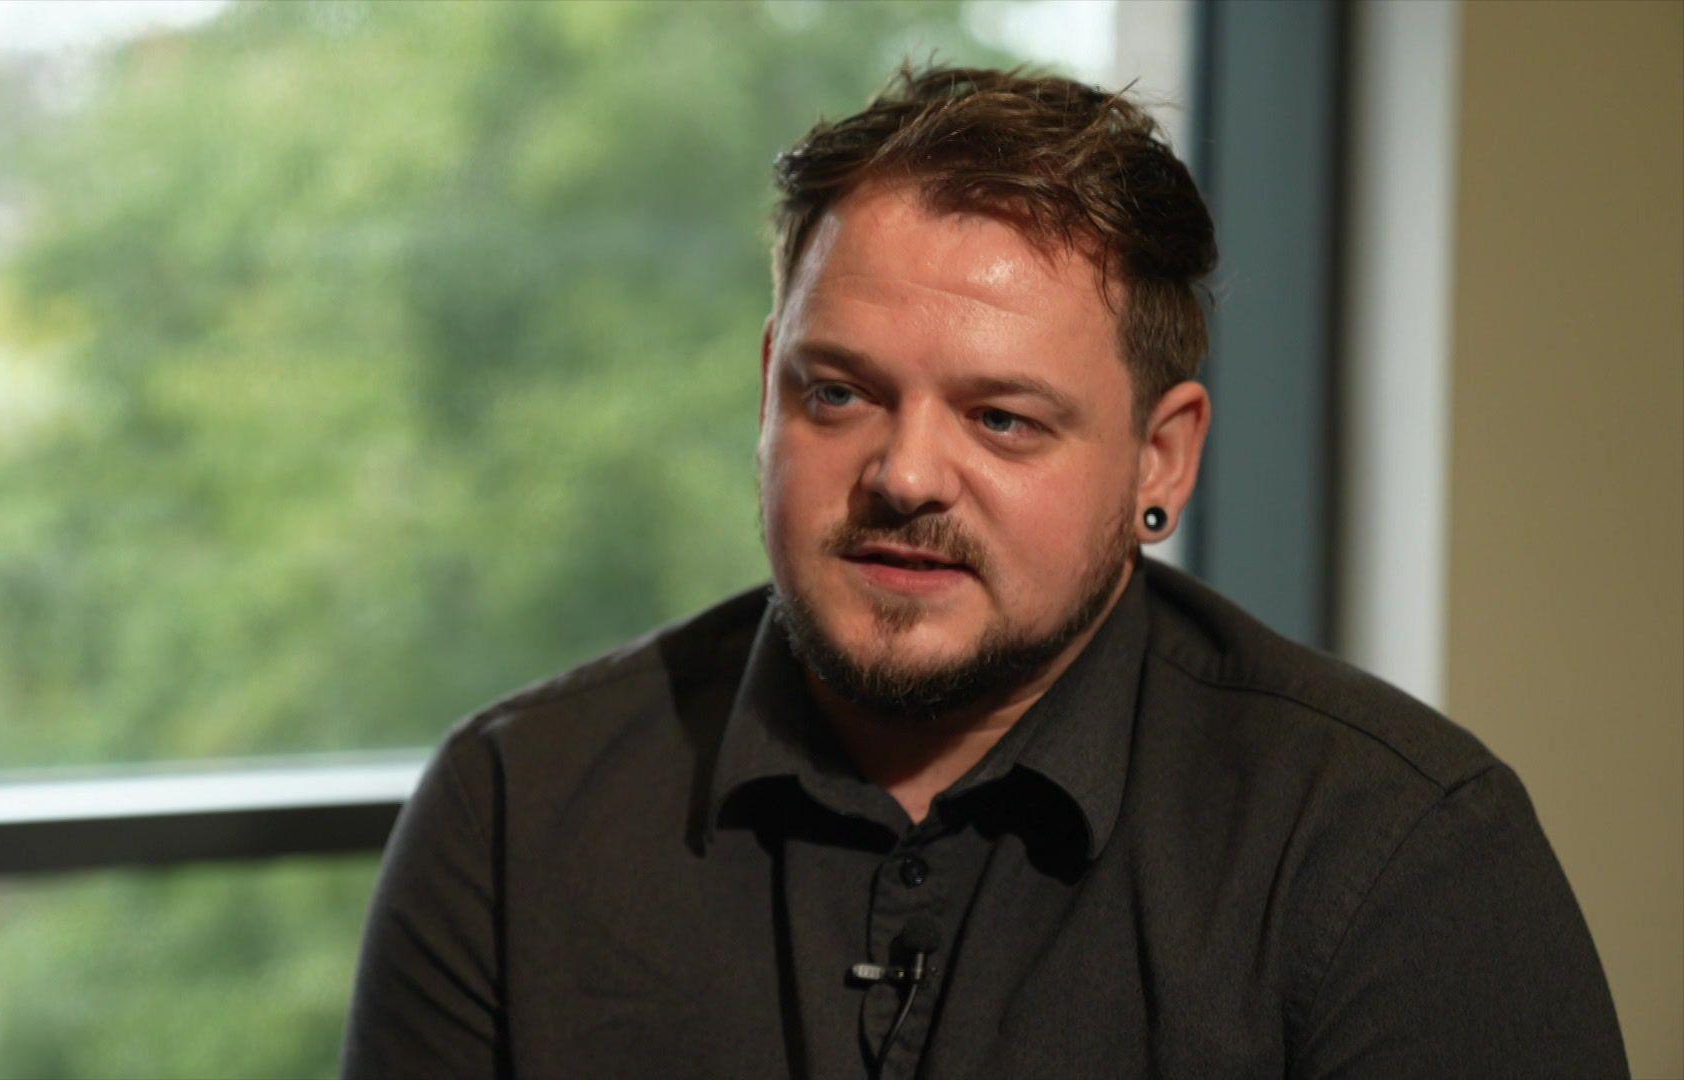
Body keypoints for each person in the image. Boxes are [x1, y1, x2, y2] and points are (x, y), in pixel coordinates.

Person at [342, 65, 1627, 1079]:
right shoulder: (516, 809)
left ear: (1158, 457)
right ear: (766, 393)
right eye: (837, 393)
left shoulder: (1396, 851)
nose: (905, 475)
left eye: (1002, 418)